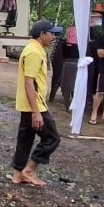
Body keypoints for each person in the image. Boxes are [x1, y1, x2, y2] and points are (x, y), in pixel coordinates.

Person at [11, 19, 63, 187]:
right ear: (42, 34)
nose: (53, 37)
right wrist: (36, 111)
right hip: (34, 104)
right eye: (51, 33)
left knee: (25, 138)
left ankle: (18, 174)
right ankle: (30, 170)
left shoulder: (34, 49)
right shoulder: (34, 52)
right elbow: (29, 82)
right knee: (52, 138)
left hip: (28, 103)